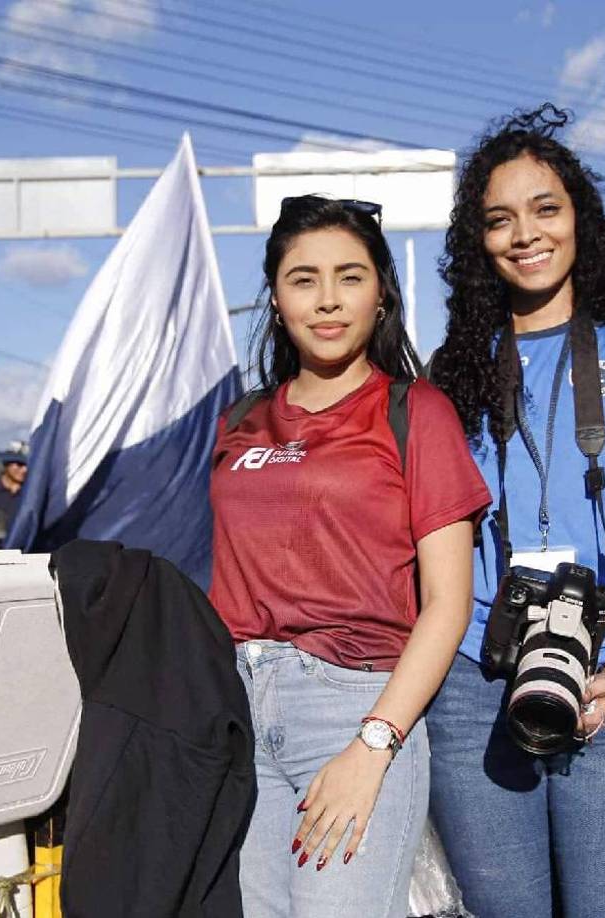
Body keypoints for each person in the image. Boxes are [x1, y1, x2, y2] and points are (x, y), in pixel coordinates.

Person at [426, 106, 605, 918]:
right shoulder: (451, 376)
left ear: (580, 218)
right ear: (477, 243)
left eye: (545, 209)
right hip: (477, 681)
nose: (525, 235)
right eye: (499, 219)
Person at [209, 195, 490, 917]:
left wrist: (374, 744)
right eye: (304, 279)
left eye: (350, 277)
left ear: (382, 293)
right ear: (275, 298)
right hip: (239, 705)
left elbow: (448, 603)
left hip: (352, 703)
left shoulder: (414, 410)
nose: (327, 300)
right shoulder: (240, 420)